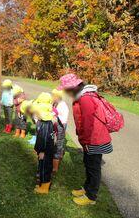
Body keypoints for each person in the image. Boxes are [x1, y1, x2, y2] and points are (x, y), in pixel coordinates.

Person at [58, 73, 112, 206]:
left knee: (93, 168)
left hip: (94, 139)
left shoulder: (85, 99)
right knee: (88, 164)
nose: (65, 92)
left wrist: (86, 141)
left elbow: (88, 123)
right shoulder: (82, 96)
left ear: (73, 88)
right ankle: (86, 188)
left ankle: (91, 196)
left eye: (66, 89)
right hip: (92, 138)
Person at [33, 102, 55, 194]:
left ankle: (44, 187)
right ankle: (42, 183)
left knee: (45, 168)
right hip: (44, 150)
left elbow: (44, 138)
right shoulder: (44, 122)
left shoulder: (45, 124)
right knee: (42, 166)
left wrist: (42, 151)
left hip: (45, 152)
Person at [51, 89, 69, 174]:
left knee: (58, 144)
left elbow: (63, 120)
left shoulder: (62, 105)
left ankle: (55, 167)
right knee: (57, 143)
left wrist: (55, 115)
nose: (52, 97)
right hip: (56, 126)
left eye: (53, 95)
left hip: (60, 126)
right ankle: (60, 154)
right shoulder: (55, 103)